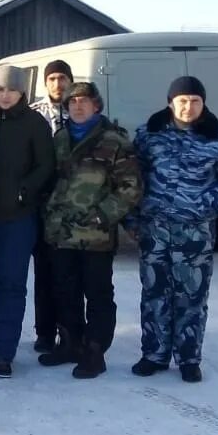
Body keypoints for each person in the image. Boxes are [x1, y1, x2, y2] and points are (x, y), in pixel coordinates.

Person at [130, 77, 218, 383]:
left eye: (195, 101)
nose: (188, 107)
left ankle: (188, 357)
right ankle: (154, 354)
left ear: (203, 103)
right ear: (170, 102)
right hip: (155, 229)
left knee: (192, 297)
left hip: (194, 233)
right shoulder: (149, 135)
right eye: (182, 100)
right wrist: (133, 220)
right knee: (154, 293)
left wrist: (206, 204)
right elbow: (130, 179)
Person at [40, 81, 142, 379]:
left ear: (96, 106)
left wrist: (102, 216)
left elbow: (130, 187)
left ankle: (95, 351)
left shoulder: (114, 142)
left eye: (84, 101)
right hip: (62, 233)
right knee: (64, 291)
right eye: (72, 103)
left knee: (97, 294)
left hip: (95, 235)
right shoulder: (59, 139)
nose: (78, 106)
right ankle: (70, 343)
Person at [0, 65, 55, 378]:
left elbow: (46, 164)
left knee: (10, 284)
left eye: (12, 90)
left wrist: (25, 190)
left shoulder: (34, 123)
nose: (5, 96)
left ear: (23, 93)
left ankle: (5, 351)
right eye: (0, 89)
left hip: (17, 218)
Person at [27, 58, 73, 353]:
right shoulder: (33, 115)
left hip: (72, 209)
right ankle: (44, 332)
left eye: (63, 78)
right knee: (43, 272)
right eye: (53, 78)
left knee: (69, 274)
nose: (58, 84)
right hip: (41, 207)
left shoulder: (82, 111)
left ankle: (69, 332)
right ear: (46, 83)